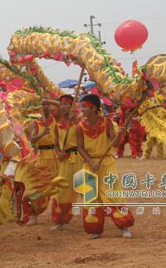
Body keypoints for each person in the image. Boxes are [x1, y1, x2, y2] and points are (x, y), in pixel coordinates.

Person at [76, 94, 134, 239]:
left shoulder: (107, 123)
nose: (81, 109)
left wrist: (120, 134)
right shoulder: (80, 127)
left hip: (106, 164)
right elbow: (80, 148)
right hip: (89, 165)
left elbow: (114, 144)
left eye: (84, 107)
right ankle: (95, 229)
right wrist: (91, 162)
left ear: (93, 108)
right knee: (90, 198)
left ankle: (124, 226)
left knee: (112, 195)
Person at [26, 98, 59, 225]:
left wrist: (50, 101)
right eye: (43, 105)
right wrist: (43, 133)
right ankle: (34, 214)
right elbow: (32, 139)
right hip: (43, 156)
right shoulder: (36, 123)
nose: (45, 107)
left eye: (47, 105)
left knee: (60, 185)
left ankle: (60, 216)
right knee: (41, 187)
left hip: (57, 154)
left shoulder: (56, 118)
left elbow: (64, 105)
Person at [51, 94, 83, 230]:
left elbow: (85, 132)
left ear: (72, 106)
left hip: (80, 158)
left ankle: (93, 219)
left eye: (66, 104)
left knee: (85, 189)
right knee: (62, 189)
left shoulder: (80, 119)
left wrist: (75, 120)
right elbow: (56, 142)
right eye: (61, 104)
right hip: (66, 160)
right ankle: (60, 220)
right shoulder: (57, 123)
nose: (63, 107)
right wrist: (58, 153)